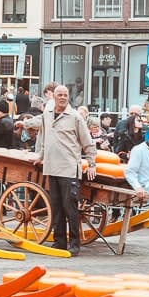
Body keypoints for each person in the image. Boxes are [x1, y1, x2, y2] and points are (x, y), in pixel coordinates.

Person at [34, 85, 96, 256]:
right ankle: (59, 241)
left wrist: (91, 163)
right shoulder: (47, 115)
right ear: (53, 96)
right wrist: (40, 155)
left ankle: (75, 243)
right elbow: (45, 139)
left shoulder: (75, 117)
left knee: (70, 208)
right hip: (51, 167)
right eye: (59, 95)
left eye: (65, 95)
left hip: (69, 169)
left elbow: (87, 141)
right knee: (56, 207)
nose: (62, 97)